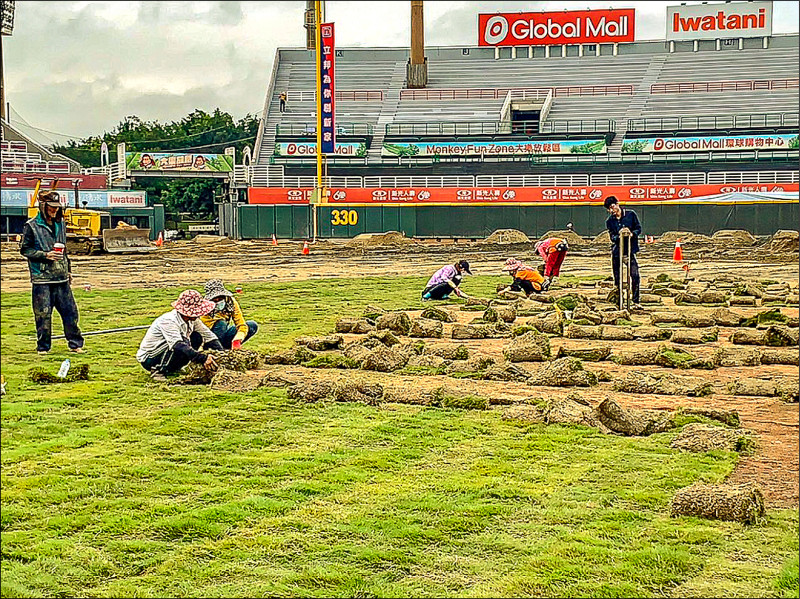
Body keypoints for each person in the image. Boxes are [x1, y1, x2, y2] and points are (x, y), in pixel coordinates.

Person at [20, 191, 85, 355]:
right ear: (43, 206)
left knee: (70, 312)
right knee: (43, 315)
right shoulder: (32, 226)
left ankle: (75, 344)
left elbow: (65, 251)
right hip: (42, 278)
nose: (54, 210)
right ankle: (43, 347)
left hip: (61, 277)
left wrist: (68, 270)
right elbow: (25, 250)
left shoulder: (60, 223)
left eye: (57, 207)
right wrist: (45, 255)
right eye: (51, 207)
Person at [136, 289, 223, 381]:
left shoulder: (193, 321)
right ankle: (158, 370)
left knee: (197, 337)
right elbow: (177, 344)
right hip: (150, 358)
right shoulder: (169, 321)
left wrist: (223, 355)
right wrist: (203, 358)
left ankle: (173, 368)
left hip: (167, 352)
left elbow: (209, 336)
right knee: (182, 343)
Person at [195, 279, 259, 350]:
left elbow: (241, 324)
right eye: (215, 300)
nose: (218, 301)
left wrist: (237, 339)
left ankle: (226, 348)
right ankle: (217, 349)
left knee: (252, 325)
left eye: (220, 298)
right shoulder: (205, 308)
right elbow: (203, 331)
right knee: (221, 323)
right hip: (210, 338)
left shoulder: (231, 302)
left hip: (223, 335)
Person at [604, 195, 642, 308]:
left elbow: (638, 228)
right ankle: (618, 300)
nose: (612, 210)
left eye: (613, 207)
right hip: (617, 251)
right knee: (617, 278)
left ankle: (635, 301)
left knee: (635, 275)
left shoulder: (630, 215)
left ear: (617, 204)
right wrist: (619, 236)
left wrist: (631, 233)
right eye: (609, 209)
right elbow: (612, 236)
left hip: (630, 250)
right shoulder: (610, 221)